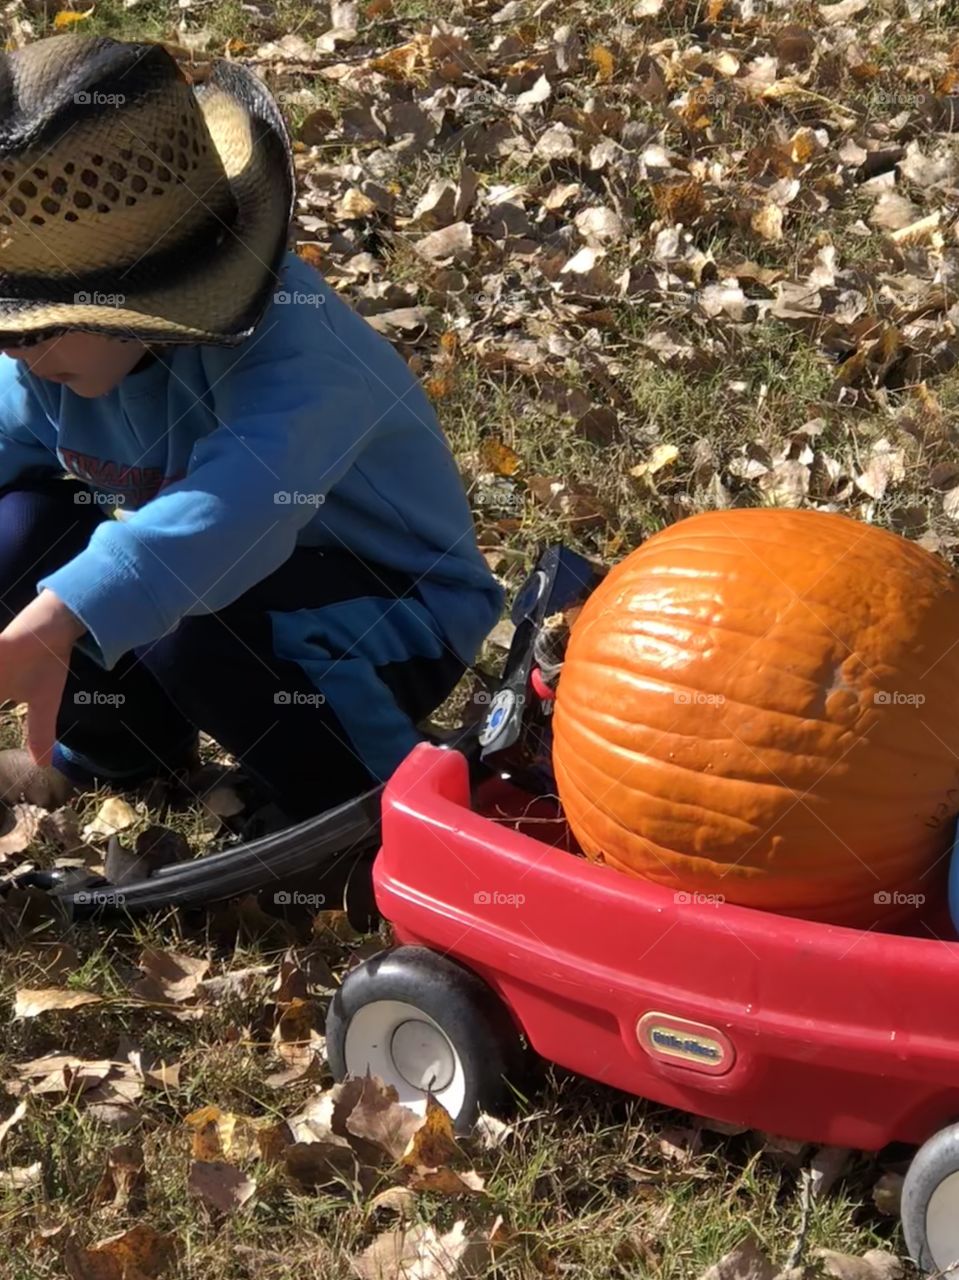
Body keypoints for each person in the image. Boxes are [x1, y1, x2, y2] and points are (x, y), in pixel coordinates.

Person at [0, 34, 503, 820]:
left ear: (145, 303)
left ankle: (352, 803)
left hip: (391, 602)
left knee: (195, 628)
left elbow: (236, 517)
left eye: (35, 327)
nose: (15, 354)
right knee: (18, 534)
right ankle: (120, 748)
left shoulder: (300, 353)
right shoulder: (50, 366)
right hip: (229, 578)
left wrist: (64, 612)